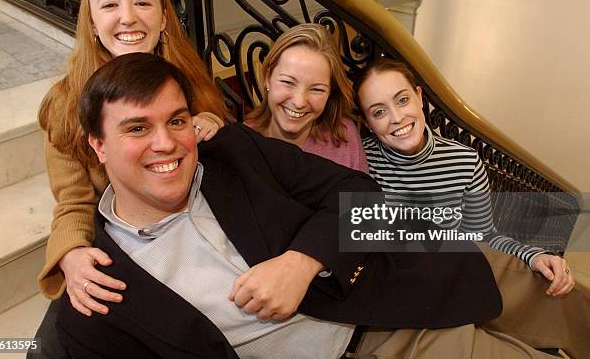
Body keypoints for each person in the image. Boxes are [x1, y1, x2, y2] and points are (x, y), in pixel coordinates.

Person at [55, 52, 559, 359]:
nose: (166, 143)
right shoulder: (98, 281)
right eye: (137, 128)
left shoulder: (238, 151)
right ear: (96, 147)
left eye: (178, 121)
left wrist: (302, 263)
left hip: (386, 281)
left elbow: (368, 197)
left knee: (535, 290)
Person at [353, 58, 589, 357]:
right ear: (367, 122)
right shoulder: (359, 161)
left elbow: (483, 234)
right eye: (379, 111)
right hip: (406, 295)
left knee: (564, 295)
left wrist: (534, 254)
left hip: (463, 272)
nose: (397, 117)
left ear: (420, 97)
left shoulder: (464, 160)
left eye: (402, 100)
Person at [36, 0, 228, 314]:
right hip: (135, 250)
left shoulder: (194, 80)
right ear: (91, 23)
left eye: (142, 2)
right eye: (109, 5)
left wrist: (215, 127)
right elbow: (73, 202)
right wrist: (71, 252)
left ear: (163, 18)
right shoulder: (63, 106)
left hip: (207, 236)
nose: (128, 17)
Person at [245, 23, 368, 172]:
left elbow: (364, 196)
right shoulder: (242, 143)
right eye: (288, 82)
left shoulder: (344, 135)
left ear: (330, 92)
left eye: (316, 89)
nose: (299, 102)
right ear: (267, 77)